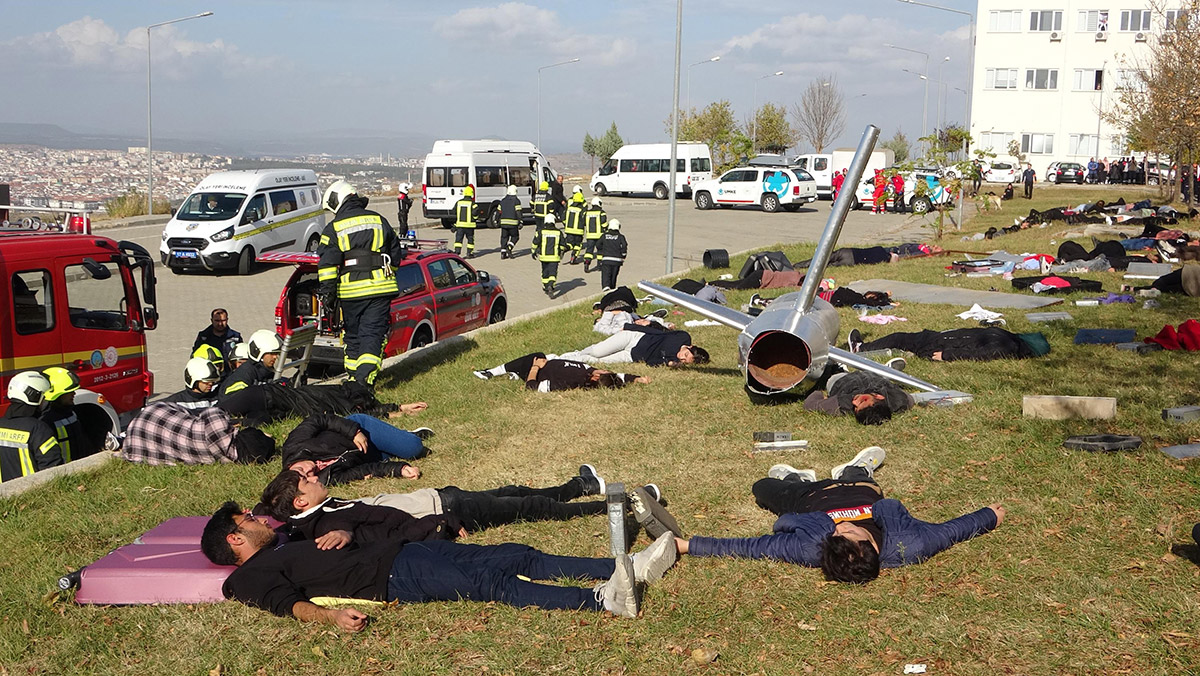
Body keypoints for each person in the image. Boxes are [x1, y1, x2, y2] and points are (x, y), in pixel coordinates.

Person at [201, 500, 678, 627]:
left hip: (406, 552)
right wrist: (329, 617)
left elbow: (340, 530)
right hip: (391, 577)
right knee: (495, 582)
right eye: (247, 519)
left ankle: (618, 566)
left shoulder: (283, 542)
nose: (258, 518)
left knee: (517, 553)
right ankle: (601, 601)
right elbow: (285, 604)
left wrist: (344, 531)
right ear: (235, 538)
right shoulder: (248, 577)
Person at [674, 448, 1004, 584]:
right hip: (860, 487)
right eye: (850, 534)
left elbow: (749, 547)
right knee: (858, 475)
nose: (843, 526)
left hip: (807, 497)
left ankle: (796, 477)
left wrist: (688, 545)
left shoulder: (810, 548)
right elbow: (952, 531)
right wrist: (990, 515)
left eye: (839, 534)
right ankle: (855, 468)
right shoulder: (912, 542)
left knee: (762, 486)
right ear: (871, 547)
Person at [262, 464, 611, 537]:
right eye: (305, 481)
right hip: (447, 511)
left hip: (441, 498)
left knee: (516, 491)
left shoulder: (321, 510)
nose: (312, 476)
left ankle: (579, 485)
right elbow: (390, 528)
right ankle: (607, 505)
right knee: (530, 508)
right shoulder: (326, 523)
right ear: (300, 503)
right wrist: (445, 526)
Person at [317, 180, 405, 387]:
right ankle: (363, 380)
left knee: (353, 336)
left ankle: (356, 380)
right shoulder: (379, 220)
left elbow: (327, 266)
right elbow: (396, 254)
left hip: (350, 294)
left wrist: (328, 295)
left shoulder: (333, 228)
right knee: (372, 334)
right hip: (380, 290)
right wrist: (387, 275)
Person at [279, 412, 430, 486]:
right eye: (307, 477)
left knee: (413, 448)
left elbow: (318, 419)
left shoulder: (294, 446)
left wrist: (353, 432)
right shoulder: (325, 478)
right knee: (404, 456)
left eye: (300, 469)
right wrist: (399, 469)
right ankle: (395, 437)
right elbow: (360, 471)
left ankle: (406, 436)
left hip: (359, 431)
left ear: (289, 466)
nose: (308, 470)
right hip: (366, 455)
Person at [120, 402, 275, 466]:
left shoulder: (217, 424)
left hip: (150, 418)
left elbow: (210, 414)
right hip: (138, 438)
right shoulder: (222, 453)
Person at [847, 327, 1050, 362]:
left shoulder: (1007, 346)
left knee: (900, 338)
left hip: (940, 346)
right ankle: (869, 351)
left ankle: (860, 350)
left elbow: (979, 354)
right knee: (903, 341)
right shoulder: (1008, 338)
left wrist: (947, 355)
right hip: (942, 339)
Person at [0, 372, 63, 482]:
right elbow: (53, 470)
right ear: (34, 397)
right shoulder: (39, 429)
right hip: (33, 495)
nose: (46, 401)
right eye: (43, 397)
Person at [558, 323, 709, 368]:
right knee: (597, 351)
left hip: (631, 356)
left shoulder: (672, 360)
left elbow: (650, 362)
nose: (681, 357)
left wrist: (668, 362)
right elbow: (659, 333)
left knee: (597, 361)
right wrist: (632, 327)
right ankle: (576, 353)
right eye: (686, 355)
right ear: (690, 347)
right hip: (634, 338)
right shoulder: (683, 337)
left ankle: (563, 360)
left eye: (684, 360)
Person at [472, 353, 650, 391]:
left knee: (534, 357)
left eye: (602, 370)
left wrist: (535, 367)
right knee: (541, 355)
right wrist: (638, 379)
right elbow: (618, 377)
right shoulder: (591, 372)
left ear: (597, 377)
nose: (602, 368)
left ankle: (491, 372)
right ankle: (514, 374)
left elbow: (532, 387)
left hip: (536, 370)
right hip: (549, 361)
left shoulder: (570, 383)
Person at [803, 369, 913, 426]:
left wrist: (821, 394)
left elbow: (810, 404)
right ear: (879, 396)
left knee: (833, 377)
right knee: (884, 377)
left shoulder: (843, 404)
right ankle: (888, 370)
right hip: (875, 375)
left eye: (855, 408)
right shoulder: (899, 400)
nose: (855, 402)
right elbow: (911, 398)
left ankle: (839, 368)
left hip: (842, 378)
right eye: (863, 400)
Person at [40, 367, 99, 462]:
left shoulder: (70, 412)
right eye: (69, 392)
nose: (74, 394)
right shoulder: (46, 422)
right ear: (56, 394)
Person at [219, 330, 281, 399]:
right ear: (258, 352)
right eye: (271, 353)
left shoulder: (267, 372)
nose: (275, 357)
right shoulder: (244, 374)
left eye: (276, 353)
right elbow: (234, 400)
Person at [531, 213, 569, 297]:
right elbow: (563, 244)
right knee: (553, 273)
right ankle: (551, 285)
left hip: (543, 257)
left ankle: (545, 286)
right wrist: (561, 251)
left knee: (545, 272)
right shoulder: (558, 232)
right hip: (554, 257)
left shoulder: (541, 231)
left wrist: (533, 251)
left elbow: (535, 242)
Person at [597, 218, 628, 291]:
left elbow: (598, 245)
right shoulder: (621, 237)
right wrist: (623, 255)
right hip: (617, 261)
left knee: (606, 275)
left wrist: (602, 251)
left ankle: (606, 287)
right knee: (613, 276)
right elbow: (624, 246)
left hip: (606, 259)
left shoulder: (604, 236)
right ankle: (612, 288)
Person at [497, 185, 524, 259]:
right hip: (513, 223)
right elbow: (518, 212)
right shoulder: (516, 201)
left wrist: (497, 220)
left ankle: (503, 253)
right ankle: (509, 248)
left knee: (504, 238)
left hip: (503, 223)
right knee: (515, 237)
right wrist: (520, 221)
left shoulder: (502, 200)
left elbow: (498, 212)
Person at [582, 197, 608, 272]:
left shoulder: (587, 213)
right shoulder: (601, 212)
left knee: (589, 251)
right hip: (599, 235)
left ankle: (587, 263)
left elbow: (583, 223)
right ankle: (600, 265)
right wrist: (607, 228)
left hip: (590, 235)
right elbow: (604, 224)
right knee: (600, 250)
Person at [561, 187, 586, 264]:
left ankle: (564, 249)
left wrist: (566, 224)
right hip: (578, 230)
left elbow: (563, 217)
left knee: (570, 244)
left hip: (568, 229)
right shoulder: (582, 208)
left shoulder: (569, 207)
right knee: (578, 245)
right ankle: (573, 258)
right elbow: (584, 219)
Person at [452, 185, 478, 258]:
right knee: (470, 240)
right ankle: (469, 253)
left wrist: (455, 224)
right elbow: (475, 213)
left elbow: (454, 212)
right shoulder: (473, 204)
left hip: (460, 225)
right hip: (470, 226)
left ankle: (457, 252)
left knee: (458, 240)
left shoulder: (459, 202)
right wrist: (475, 218)